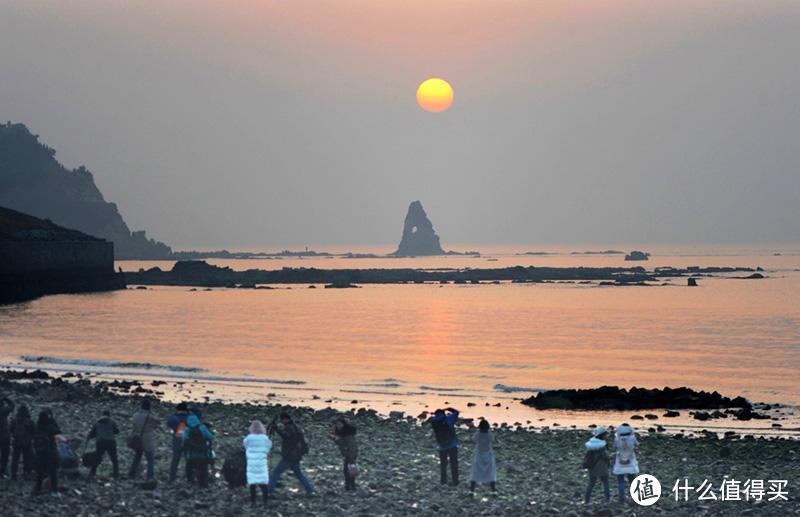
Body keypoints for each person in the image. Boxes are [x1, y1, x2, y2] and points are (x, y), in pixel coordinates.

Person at [266, 412, 315, 496]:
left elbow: (286, 436)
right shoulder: (295, 427)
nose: (282, 422)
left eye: (282, 420)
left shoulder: (290, 428)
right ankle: (310, 490)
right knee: (298, 473)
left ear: (286, 419)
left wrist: (276, 429)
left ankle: (269, 492)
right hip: (296, 455)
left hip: (290, 456)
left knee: (276, 472)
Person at [128, 399, 159, 481]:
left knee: (137, 456)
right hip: (148, 437)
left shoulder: (135, 415)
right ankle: (150, 476)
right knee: (150, 458)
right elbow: (157, 423)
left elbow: (133, 426)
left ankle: (132, 473)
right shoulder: (150, 416)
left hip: (137, 437)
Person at [32, 410, 61, 497]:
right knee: (53, 473)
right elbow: (58, 431)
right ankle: (54, 491)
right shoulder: (50, 427)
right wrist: (52, 419)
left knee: (40, 472)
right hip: (51, 453)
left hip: (40, 453)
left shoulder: (37, 427)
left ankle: (37, 488)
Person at [244, 420, 272, 504]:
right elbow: (269, 447)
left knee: (252, 483)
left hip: (251, 462)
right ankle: (265, 501)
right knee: (263, 483)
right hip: (261, 461)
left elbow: (245, 445)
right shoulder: (265, 438)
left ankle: (253, 502)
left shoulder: (248, 438)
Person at [430, 407, 460, 485]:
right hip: (452, 444)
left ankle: (443, 482)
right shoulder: (449, 419)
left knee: (443, 465)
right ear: (443, 413)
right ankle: (455, 481)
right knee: (454, 463)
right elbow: (456, 412)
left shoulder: (434, 421)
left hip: (441, 446)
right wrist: (449, 408)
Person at [182, 414, 214, 487]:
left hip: (190, 454)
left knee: (189, 467)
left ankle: (190, 481)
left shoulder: (186, 429)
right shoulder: (202, 427)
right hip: (202, 453)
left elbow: (184, 440)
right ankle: (203, 483)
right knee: (203, 469)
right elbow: (210, 437)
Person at [88, 410, 120, 478]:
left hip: (100, 442)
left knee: (97, 457)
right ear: (109, 415)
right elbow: (117, 431)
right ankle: (116, 474)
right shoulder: (112, 422)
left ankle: (92, 472)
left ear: (102, 414)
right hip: (110, 441)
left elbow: (92, 434)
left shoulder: (97, 422)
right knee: (114, 459)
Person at [583, 427, 610, 504]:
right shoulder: (602, 445)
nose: (606, 436)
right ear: (602, 435)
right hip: (602, 467)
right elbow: (605, 456)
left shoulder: (590, 444)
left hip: (592, 467)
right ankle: (607, 500)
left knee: (591, 484)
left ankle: (586, 500)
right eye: (605, 434)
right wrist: (611, 457)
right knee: (605, 483)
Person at [469, 419, 497, 495]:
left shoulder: (477, 434)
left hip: (479, 455)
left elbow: (473, 439)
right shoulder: (490, 435)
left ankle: (472, 491)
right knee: (491, 473)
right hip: (488, 455)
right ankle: (493, 491)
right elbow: (492, 440)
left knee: (475, 472)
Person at [613, 423, 639, 499]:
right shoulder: (632, 438)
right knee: (633, 480)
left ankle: (622, 496)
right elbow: (637, 445)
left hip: (620, 461)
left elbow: (615, 446)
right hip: (630, 460)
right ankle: (636, 496)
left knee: (620, 481)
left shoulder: (617, 438)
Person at [331, 417, 358, 491]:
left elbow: (352, 446)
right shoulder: (343, 433)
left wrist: (351, 456)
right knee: (349, 470)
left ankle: (350, 486)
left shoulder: (348, 435)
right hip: (348, 454)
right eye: (337, 424)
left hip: (351, 454)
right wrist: (335, 439)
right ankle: (351, 486)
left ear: (343, 424)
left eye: (340, 424)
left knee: (348, 470)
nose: (338, 426)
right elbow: (342, 443)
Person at [166, 402, 191, 482]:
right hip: (188, 442)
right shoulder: (189, 418)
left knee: (175, 461)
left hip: (177, 441)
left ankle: (172, 478)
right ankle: (189, 478)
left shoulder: (174, 418)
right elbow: (198, 416)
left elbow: (168, 423)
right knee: (189, 461)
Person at [10, 404, 35, 480]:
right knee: (27, 459)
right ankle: (26, 473)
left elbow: (10, 430)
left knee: (15, 459)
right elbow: (34, 432)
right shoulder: (30, 421)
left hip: (16, 442)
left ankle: (14, 474)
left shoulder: (14, 420)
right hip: (27, 443)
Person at [0, 397, 14, 478]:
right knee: (5, 455)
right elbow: (12, 405)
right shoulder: (3, 411)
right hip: (4, 435)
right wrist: (6, 399)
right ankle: (2, 472)